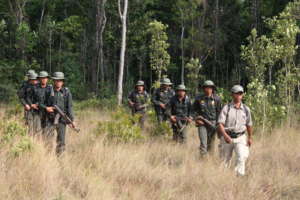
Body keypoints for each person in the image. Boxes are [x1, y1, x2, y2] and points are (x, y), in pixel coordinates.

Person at [218, 85, 253, 176]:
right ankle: (222, 179)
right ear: (232, 94)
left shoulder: (246, 109)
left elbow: (249, 124)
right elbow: (220, 124)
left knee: (241, 157)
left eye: (240, 93)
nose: (238, 95)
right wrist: (225, 136)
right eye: (236, 93)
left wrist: (250, 138)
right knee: (224, 161)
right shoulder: (226, 108)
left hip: (240, 137)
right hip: (227, 137)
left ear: (242, 95)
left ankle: (239, 177)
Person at [45, 72, 74, 156]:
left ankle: (60, 158)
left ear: (62, 82)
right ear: (53, 81)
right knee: (47, 139)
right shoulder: (48, 91)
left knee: (61, 141)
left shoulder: (66, 92)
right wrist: (47, 108)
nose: (58, 82)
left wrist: (71, 120)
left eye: (60, 80)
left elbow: (70, 107)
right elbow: (42, 103)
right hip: (50, 119)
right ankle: (47, 158)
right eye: (56, 80)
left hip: (62, 120)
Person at [193, 80, 222, 156]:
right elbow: (192, 111)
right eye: (206, 87)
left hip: (213, 124)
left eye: (210, 88)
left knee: (211, 145)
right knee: (203, 144)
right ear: (203, 88)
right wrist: (197, 119)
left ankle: (210, 163)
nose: (208, 89)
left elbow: (219, 113)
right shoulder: (199, 98)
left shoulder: (217, 99)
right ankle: (202, 161)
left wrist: (219, 125)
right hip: (202, 124)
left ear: (212, 89)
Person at [32, 71, 54, 135]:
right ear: (39, 79)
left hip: (47, 113)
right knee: (36, 131)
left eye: (45, 78)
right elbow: (36, 102)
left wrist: (51, 108)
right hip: (37, 112)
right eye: (42, 78)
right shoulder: (35, 88)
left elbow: (52, 100)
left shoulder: (50, 88)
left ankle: (44, 144)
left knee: (46, 131)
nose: (44, 79)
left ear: (47, 79)